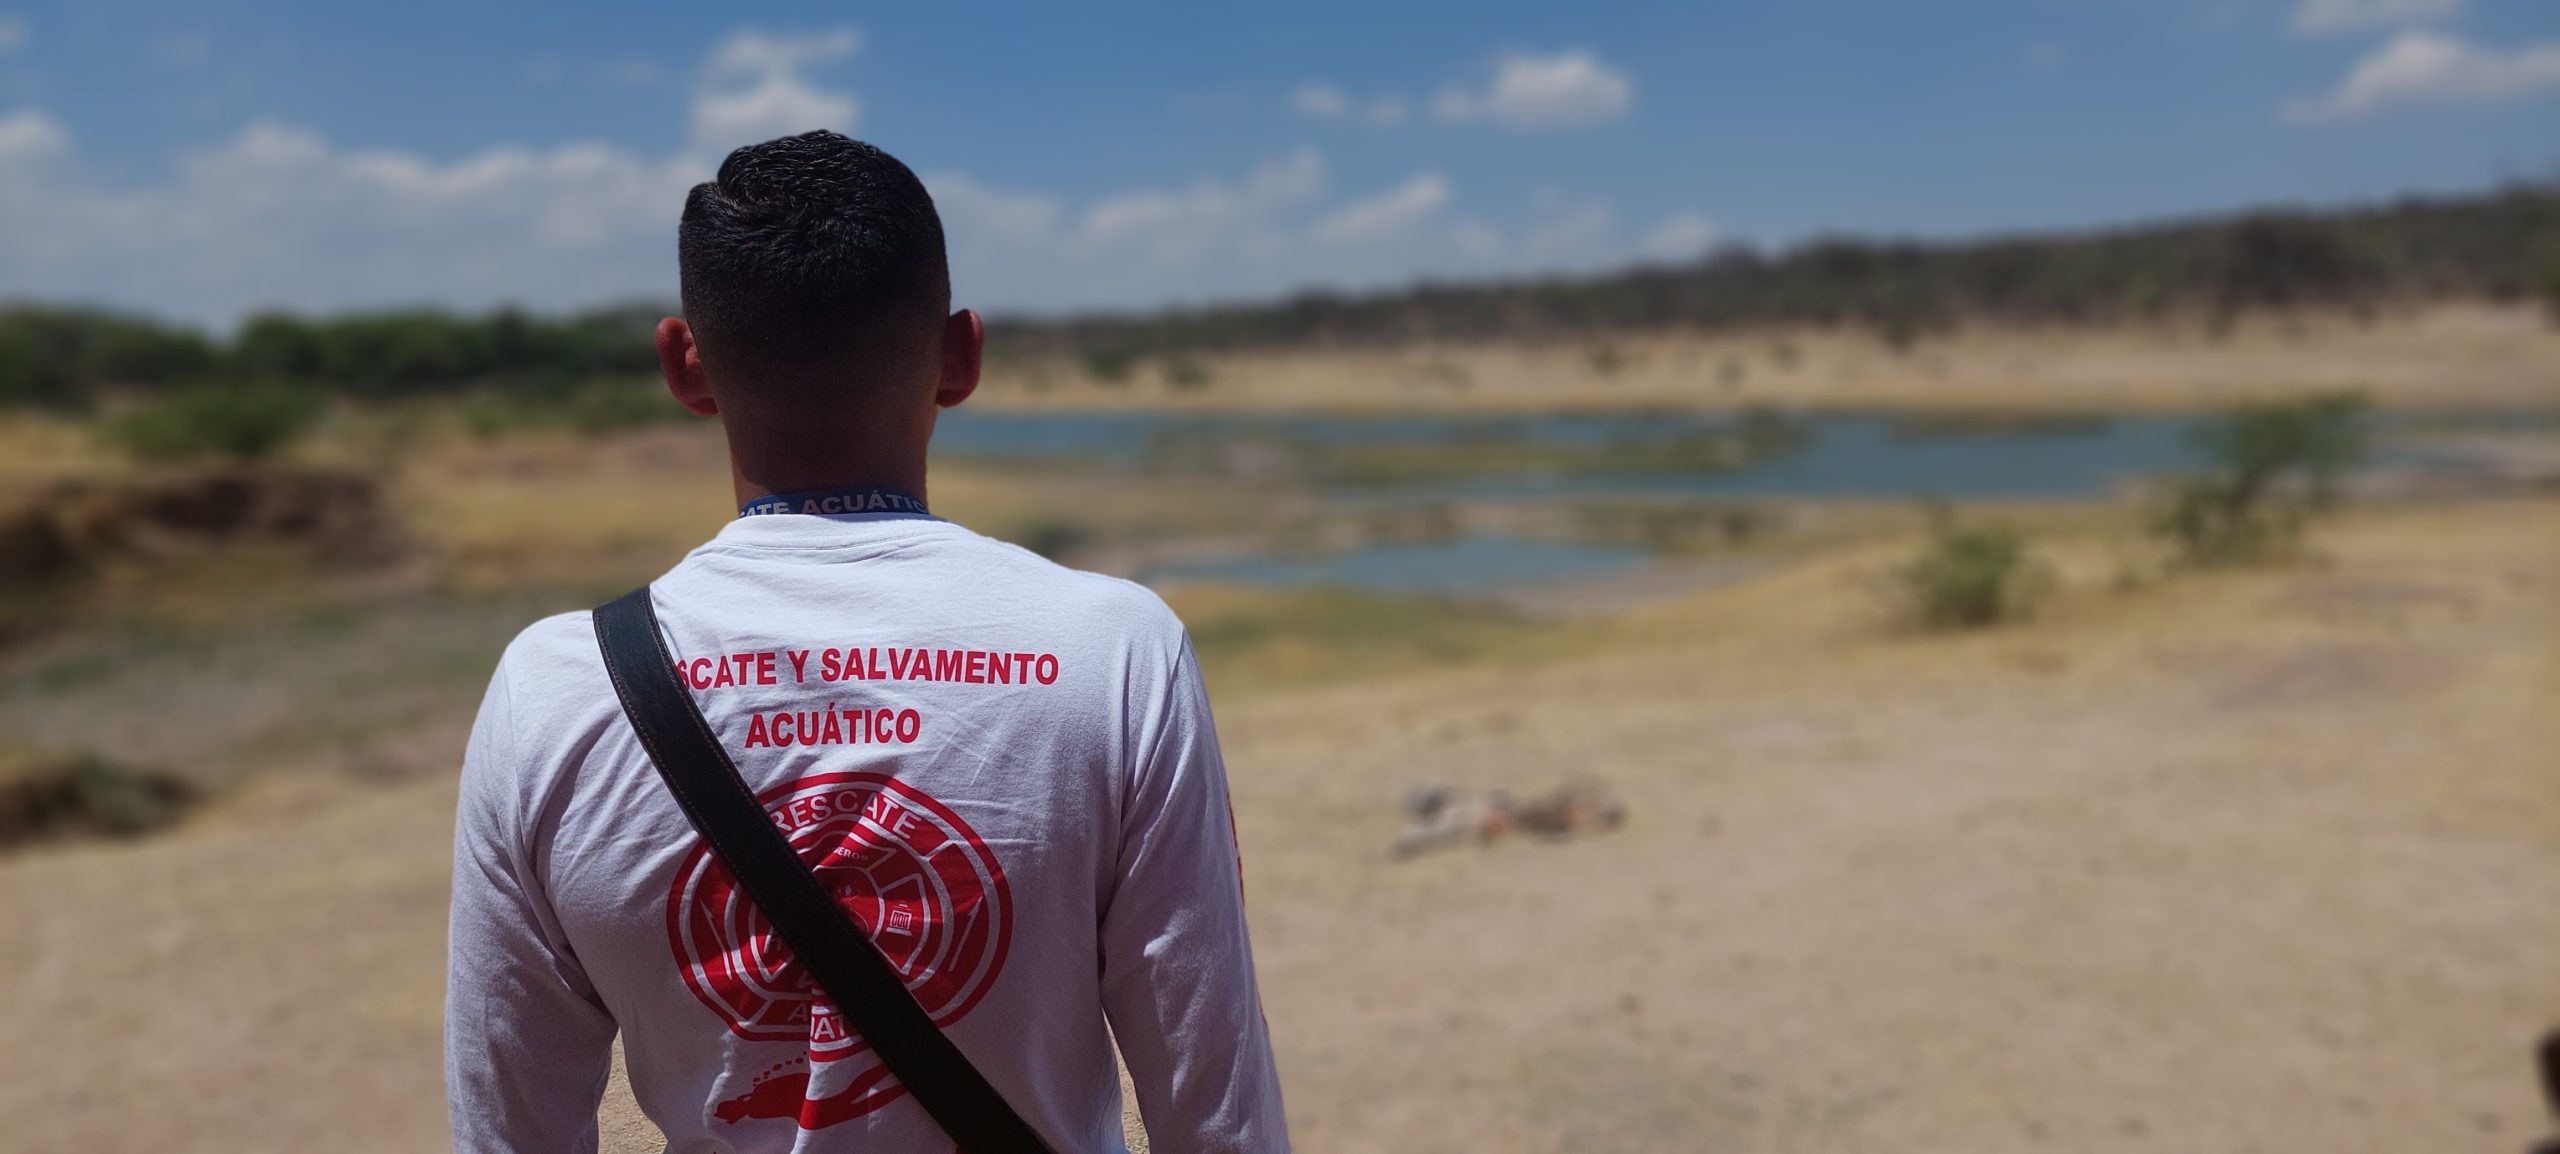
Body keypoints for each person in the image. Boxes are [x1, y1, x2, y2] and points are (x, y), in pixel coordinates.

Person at [444, 131, 1288, 1153]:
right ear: (961, 356)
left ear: (683, 364)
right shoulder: (1115, 652)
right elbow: (1216, 1107)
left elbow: (507, 1126)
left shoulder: (553, 688)